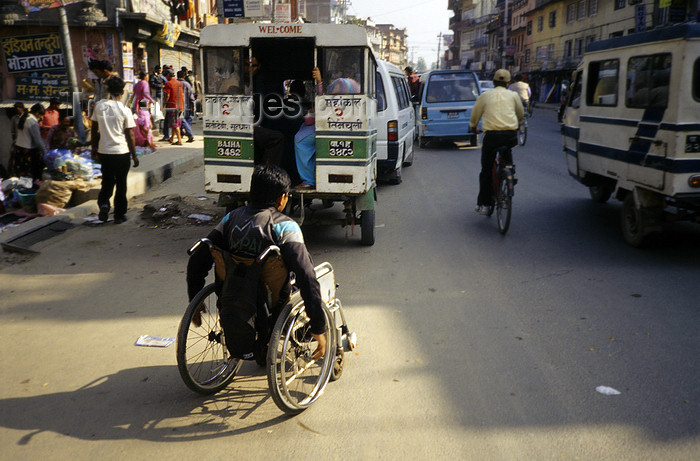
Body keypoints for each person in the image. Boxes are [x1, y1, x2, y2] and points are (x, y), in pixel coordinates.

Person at [186, 164, 326, 360]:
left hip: (233, 290)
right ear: (282, 198)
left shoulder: (230, 219)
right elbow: (306, 275)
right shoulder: (285, 225)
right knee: (314, 272)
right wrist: (319, 326)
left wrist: (195, 301)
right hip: (273, 297)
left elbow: (198, 258)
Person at [470, 68, 524, 215]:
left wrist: (473, 126)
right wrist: (519, 123)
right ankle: (511, 172)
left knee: (486, 170)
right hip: (510, 135)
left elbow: (475, 115)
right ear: (508, 83)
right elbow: (520, 114)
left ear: (493, 82)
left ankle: (484, 204)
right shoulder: (513, 95)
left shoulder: (485, 96)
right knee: (507, 151)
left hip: (492, 136)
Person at [90, 76, 139, 224]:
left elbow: (93, 129)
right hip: (122, 152)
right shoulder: (125, 110)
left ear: (108, 89)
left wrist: (94, 148)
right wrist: (134, 155)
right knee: (121, 184)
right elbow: (130, 135)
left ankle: (104, 204)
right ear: (122, 91)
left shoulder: (99, 106)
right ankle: (119, 215)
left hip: (105, 152)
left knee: (107, 182)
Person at [14, 103, 47, 180]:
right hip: (28, 151)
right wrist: (45, 152)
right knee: (29, 176)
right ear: (37, 113)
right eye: (41, 115)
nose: (41, 118)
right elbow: (38, 140)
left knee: (21, 174)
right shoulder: (32, 121)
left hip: (19, 149)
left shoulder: (24, 117)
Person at [163, 68, 184, 145]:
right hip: (180, 106)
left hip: (173, 106)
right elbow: (182, 95)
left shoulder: (168, 83)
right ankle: (172, 138)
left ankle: (179, 140)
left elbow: (167, 95)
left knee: (175, 124)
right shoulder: (179, 83)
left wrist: (164, 104)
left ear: (168, 75)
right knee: (175, 123)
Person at [177, 70, 195, 142]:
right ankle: (186, 134)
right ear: (184, 76)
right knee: (184, 120)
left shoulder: (176, 83)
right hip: (187, 105)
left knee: (181, 120)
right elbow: (191, 96)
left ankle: (189, 134)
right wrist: (193, 104)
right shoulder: (187, 84)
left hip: (177, 105)